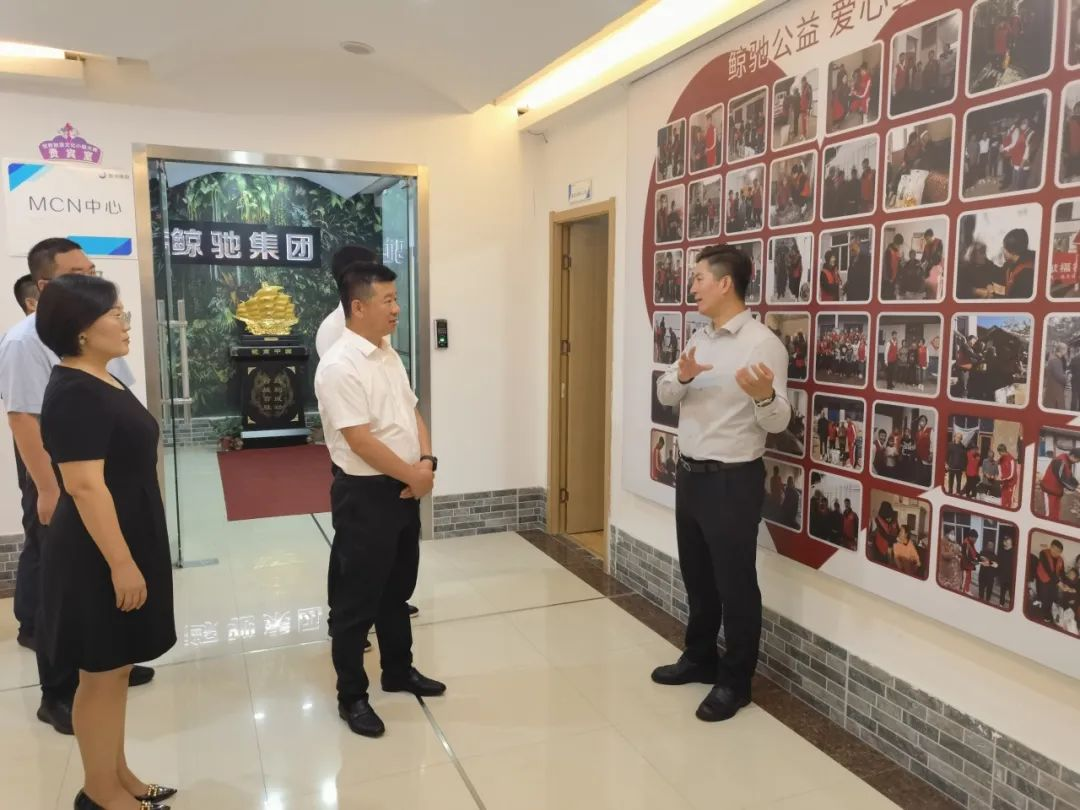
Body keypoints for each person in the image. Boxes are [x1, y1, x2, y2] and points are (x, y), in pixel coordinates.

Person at [0, 239, 154, 739]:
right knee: (61, 585)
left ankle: (107, 659)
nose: (92, 280)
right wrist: (48, 489)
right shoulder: (26, 341)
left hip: (99, 469)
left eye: (93, 271)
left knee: (99, 592)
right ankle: (58, 690)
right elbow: (23, 418)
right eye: (79, 275)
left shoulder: (99, 339)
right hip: (57, 474)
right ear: (46, 286)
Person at [36, 275, 177, 810]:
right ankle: (98, 793)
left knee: (116, 667)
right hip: (96, 551)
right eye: (115, 314)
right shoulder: (74, 392)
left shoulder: (102, 378)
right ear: (80, 329)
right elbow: (84, 486)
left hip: (126, 532)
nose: (125, 322)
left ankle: (118, 774)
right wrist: (121, 563)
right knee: (98, 674)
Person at [652, 244, 792, 723]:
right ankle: (699, 657)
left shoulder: (762, 344)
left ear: (725, 283)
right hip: (690, 475)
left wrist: (765, 396)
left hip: (733, 481)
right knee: (698, 576)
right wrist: (683, 377)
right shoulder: (700, 338)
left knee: (736, 585)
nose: (691, 286)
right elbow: (665, 392)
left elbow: (779, 420)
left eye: (698, 278)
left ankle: (735, 682)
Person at [314, 261, 445, 738]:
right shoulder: (339, 366)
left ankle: (398, 670)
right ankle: (352, 695)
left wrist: (426, 462)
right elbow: (360, 441)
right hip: (366, 494)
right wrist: (415, 476)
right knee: (356, 602)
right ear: (358, 306)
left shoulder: (388, 353)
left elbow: (412, 411)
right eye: (387, 300)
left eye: (396, 299)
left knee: (396, 588)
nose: (396, 309)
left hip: (405, 486)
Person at [1041, 447, 1080, 522]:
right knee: (1050, 514)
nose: (1077, 462)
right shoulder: (1060, 460)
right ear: (1072, 456)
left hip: (1056, 491)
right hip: (1049, 490)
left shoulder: (1067, 461)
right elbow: (1061, 477)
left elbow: (1069, 475)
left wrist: (1077, 484)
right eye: (1078, 460)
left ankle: (1054, 525)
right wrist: (1074, 488)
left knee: (1056, 512)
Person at [1035, 539, 1066, 622]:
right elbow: (1048, 570)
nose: (1055, 552)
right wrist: (1058, 582)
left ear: (1061, 552)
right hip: (1043, 578)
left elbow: (1062, 572)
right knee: (1045, 597)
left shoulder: (1061, 560)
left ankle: (1047, 609)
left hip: (1053, 580)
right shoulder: (1043, 553)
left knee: (1052, 596)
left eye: (1058, 551)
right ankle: (1045, 614)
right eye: (1054, 549)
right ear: (1050, 547)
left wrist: (1064, 583)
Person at [870, 501, 899, 565]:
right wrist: (896, 539)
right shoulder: (878, 520)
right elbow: (884, 534)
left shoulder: (894, 519)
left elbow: (897, 531)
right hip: (879, 548)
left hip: (890, 548)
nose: (888, 519)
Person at [1044, 342, 1069, 411]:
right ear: (1062, 350)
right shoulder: (1056, 361)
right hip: (1056, 390)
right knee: (1056, 409)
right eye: (1066, 350)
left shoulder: (1054, 359)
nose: (1066, 352)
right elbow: (1059, 377)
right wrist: (1067, 378)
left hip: (1052, 388)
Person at [997, 532, 1016, 608]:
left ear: (1011, 541)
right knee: (1002, 592)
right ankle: (1001, 604)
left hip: (1011, 577)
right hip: (1003, 576)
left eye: (1008, 539)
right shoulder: (1001, 551)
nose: (1006, 541)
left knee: (1012, 594)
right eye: (1005, 540)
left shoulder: (1015, 552)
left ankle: (1012, 606)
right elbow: (998, 563)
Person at [997, 443, 1018, 509]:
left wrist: (1004, 479)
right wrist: (1000, 477)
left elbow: (1012, 474)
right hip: (1004, 482)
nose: (999, 454)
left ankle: (1009, 511)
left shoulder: (1011, 459)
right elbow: (999, 469)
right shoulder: (1000, 460)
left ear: (1002, 451)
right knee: (1003, 499)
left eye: (999, 452)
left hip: (1011, 483)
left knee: (1009, 499)